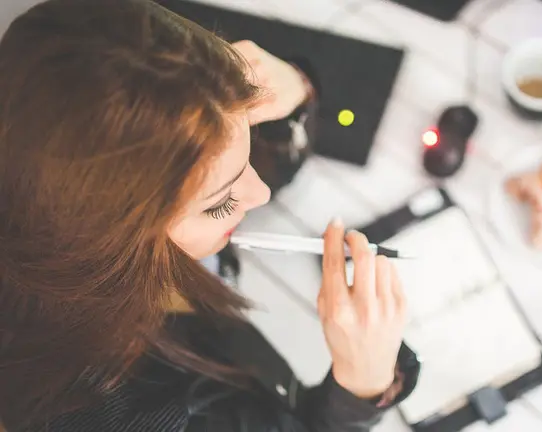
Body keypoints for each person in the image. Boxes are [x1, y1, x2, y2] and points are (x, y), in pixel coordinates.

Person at [0, 0, 419, 431]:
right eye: (218, 203)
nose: (260, 194)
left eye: (248, 144)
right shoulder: (145, 416)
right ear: (112, 236)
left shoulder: (40, 172)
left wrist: (295, 91)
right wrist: (363, 385)